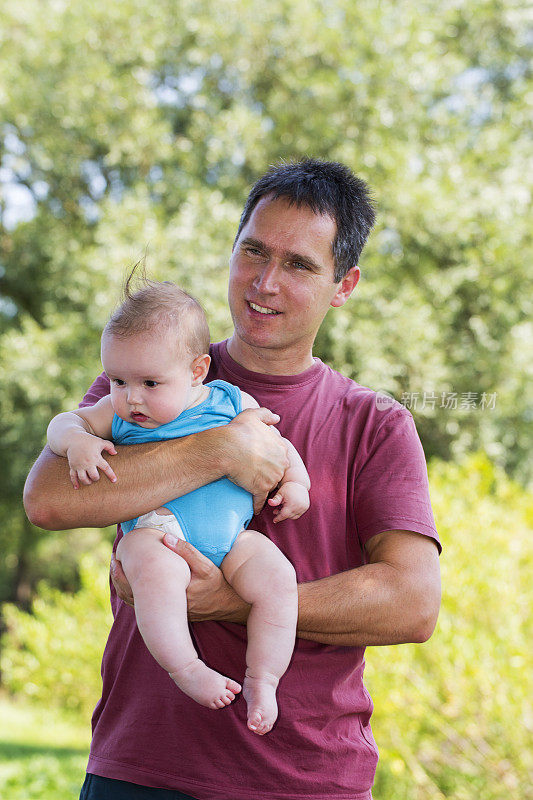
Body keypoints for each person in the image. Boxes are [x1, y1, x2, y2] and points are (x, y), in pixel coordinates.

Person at [24, 158, 442, 800]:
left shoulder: (374, 424)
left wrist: (230, 601)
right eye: (253, 251)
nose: (265, 282)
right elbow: (48, 499)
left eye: (299, 264)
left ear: (344, 283)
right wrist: (219, 451)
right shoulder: (149, 376)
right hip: (142, 764)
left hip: (307, 779)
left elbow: (413, 603)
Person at [46, 276, 309, 733]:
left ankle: (262, 678)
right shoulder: (115, 412)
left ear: (196, 370)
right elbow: (65, 421)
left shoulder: (230, 402)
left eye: (150, 382)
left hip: (231, 540)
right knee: (155, 572)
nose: (132, 397)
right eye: (118, 379)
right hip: (155, 533)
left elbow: (278, 445)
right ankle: (186, 668)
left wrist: (298, 484)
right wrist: (75, 443)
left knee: (279, 580)